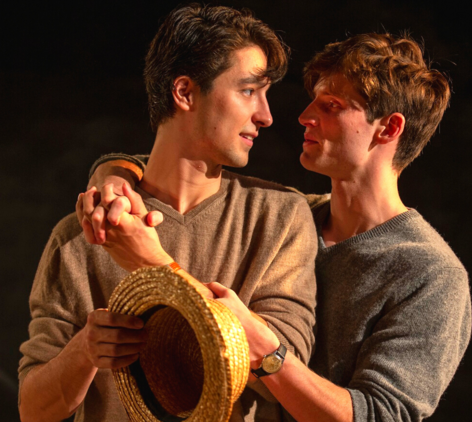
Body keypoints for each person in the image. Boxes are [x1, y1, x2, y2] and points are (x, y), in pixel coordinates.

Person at [86, 33, 472, 422]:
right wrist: (113, 173)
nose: (304, 116)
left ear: (388, 129)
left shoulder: (430, 274)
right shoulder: (288, 216)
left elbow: (380, 416)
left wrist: (268, 356)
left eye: (331, 106)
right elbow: (172, 170)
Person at [17, 5, 318, 422]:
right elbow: (33, 410)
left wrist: (152, 264)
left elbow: (281, 374)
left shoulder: (279, 217)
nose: (265, 115)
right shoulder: (83, 232)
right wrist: (83, 352)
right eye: (249, 90)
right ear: (185, 93)